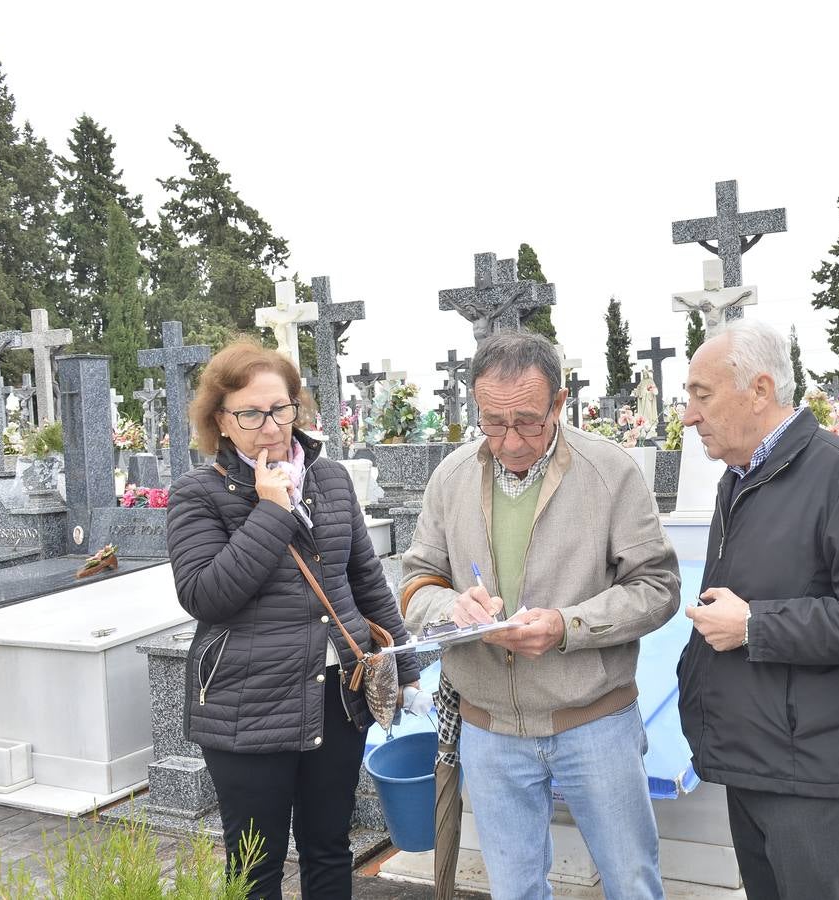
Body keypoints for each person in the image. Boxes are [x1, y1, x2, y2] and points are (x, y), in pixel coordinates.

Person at [401, 331, 680, 900]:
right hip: (489, 729)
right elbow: (414, 582)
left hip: (594, 721)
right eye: (492, 423)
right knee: (515, 891)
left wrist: (567, 627)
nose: (509, 441)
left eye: (527, 421)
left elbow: (658, 587)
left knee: (631, 883)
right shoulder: (451, 478)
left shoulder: (610, 472)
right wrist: (452, 608)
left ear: (559, 402)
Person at [167, 340, 424, 899]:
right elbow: (207, 595)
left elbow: (365, 580)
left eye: (280, 408)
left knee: (329, 847)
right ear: (221, 421)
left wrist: (405, 667)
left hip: (338, 695)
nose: (270, 427)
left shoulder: (330, 479)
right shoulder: (198, 494)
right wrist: (271, 510)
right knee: (256, 865)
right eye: (250, 414)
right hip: (247, 703)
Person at [676, 320, 839, 900]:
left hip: (809, 771)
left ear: (759, 391)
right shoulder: (737, 477)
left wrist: (755, 626)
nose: (688, 416)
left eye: (701, 396)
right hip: (749, 754)